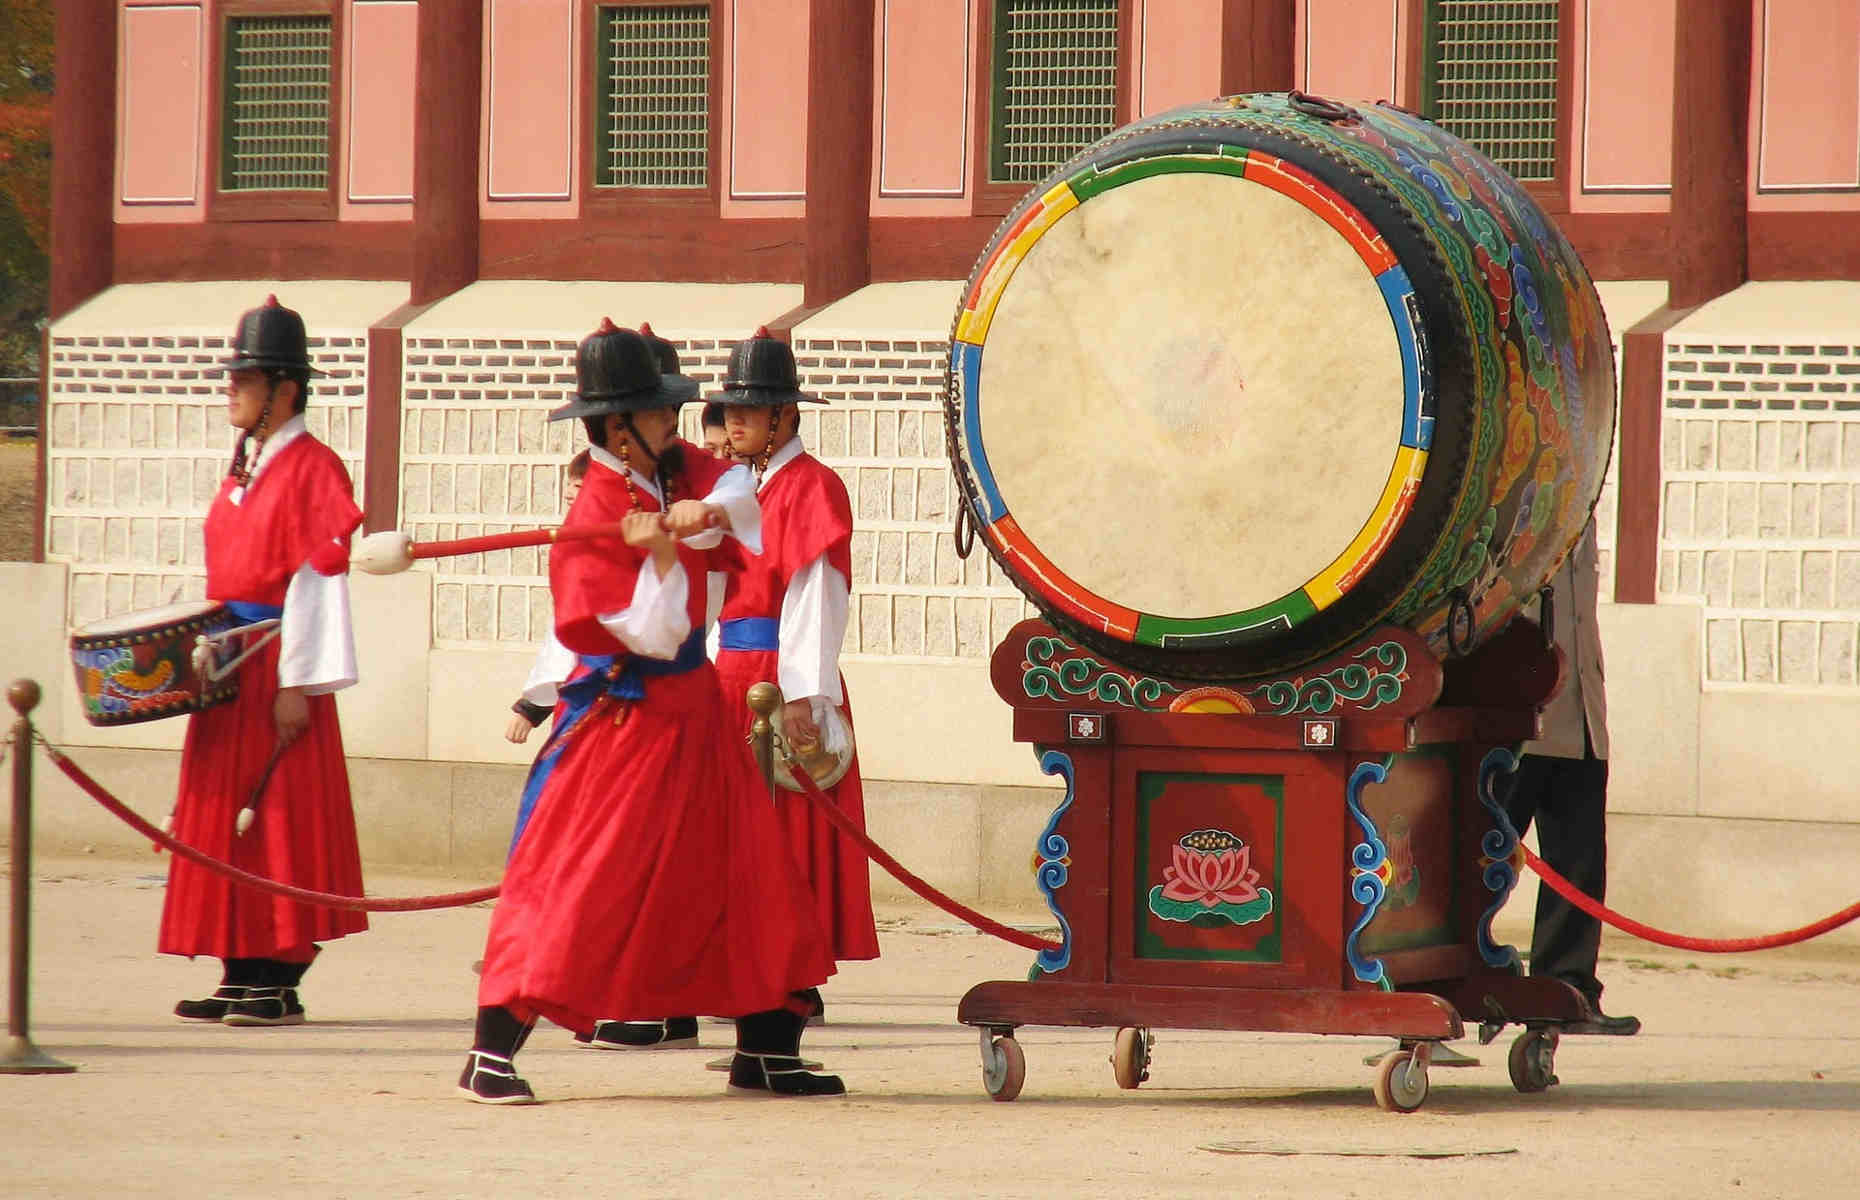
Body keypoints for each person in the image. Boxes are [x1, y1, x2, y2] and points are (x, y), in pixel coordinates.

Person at [458, 320, 843, 1103]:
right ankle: (493, 1048)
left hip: (696, 711)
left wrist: (703, 515)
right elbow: (647, 632)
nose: (680, 421)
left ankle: (767, 1045)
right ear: (616, 429)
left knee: (751, 872)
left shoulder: (670, 469)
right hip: (625, 722)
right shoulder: (594, 510)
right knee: (582, 879)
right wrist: (665, 552)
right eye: (659, 411)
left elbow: (737, 488)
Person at [166, 295, 367, 1027]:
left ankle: (279, 972)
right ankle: (237, 965)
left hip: (277, 659)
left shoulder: (314, 468)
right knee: (227, 815)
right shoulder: (245, 468)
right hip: (229, 661)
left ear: (285, 388)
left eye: (244, 379)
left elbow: (318, 583)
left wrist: (298, 684)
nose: (232, 390)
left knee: (275, 812)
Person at [711, 328, 881, 1012]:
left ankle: (790, 985)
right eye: (732, 407)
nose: (737, 419)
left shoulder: (812, 487)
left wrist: (806, 694)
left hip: (780, 683)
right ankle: (749, 983)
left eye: (754, 407)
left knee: (786, 837)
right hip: (730, 674)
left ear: (787, 414)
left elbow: (817, 595)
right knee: (737, 837)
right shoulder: (737, 487)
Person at [1500, 518, 1640, 1036]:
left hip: (1579, 717)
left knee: (1579, 865)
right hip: (1516, 719)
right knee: (1472, 865)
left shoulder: (1582, 505)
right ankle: (1432, 989)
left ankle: (1568, 988)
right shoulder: (1521, 494)